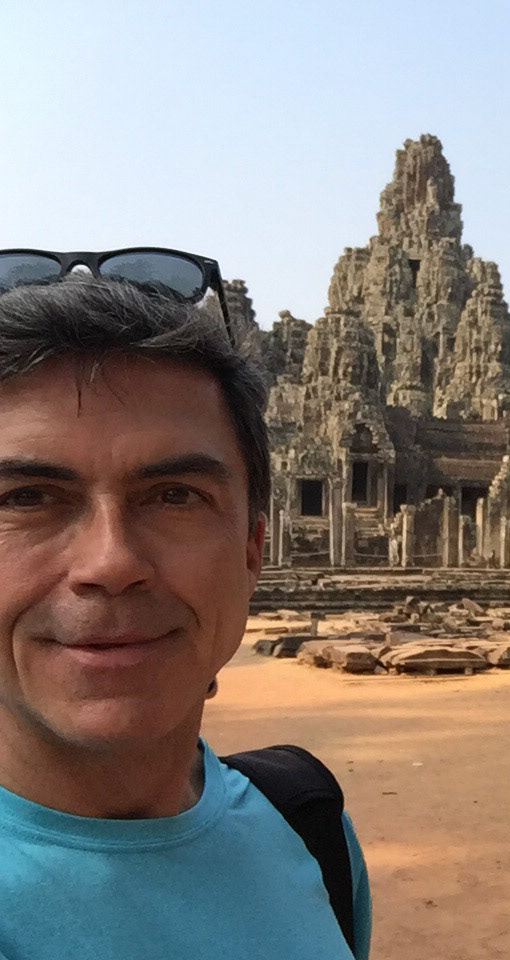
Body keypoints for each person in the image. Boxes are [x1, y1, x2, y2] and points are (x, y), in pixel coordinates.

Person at [0, 253, 371, 960]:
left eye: (175, 496)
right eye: (27, 498)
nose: (111, 564)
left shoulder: (308, 831)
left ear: (254, 548)